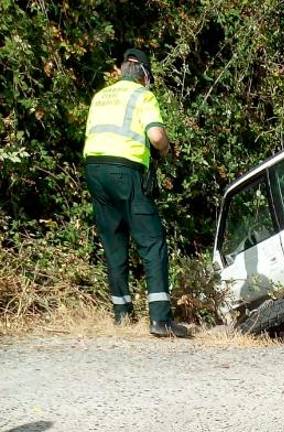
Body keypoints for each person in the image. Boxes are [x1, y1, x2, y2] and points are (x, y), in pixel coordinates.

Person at [82, 48, 188, 337]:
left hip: (94, 170)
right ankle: (160, 320)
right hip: (125, 172)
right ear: (144, 75)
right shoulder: (143, 96)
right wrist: (166, 150)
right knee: (152, 241)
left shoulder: (100, 96)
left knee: (113, 240)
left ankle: (122, 315)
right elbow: (156, 136)